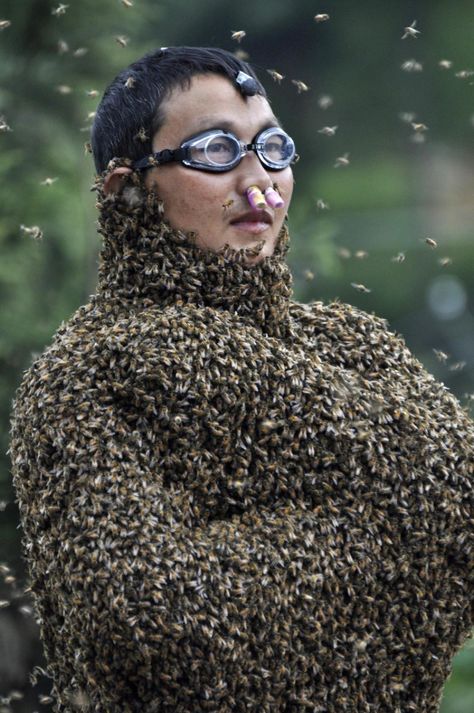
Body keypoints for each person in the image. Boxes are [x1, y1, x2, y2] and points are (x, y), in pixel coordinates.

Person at [10, 46, 473, 713]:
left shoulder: (350, 345)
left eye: (272, 147)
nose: (258, 180)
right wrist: (396, 540)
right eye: (216, 151)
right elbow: (156, 628)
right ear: (126, 187)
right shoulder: (83, 378)